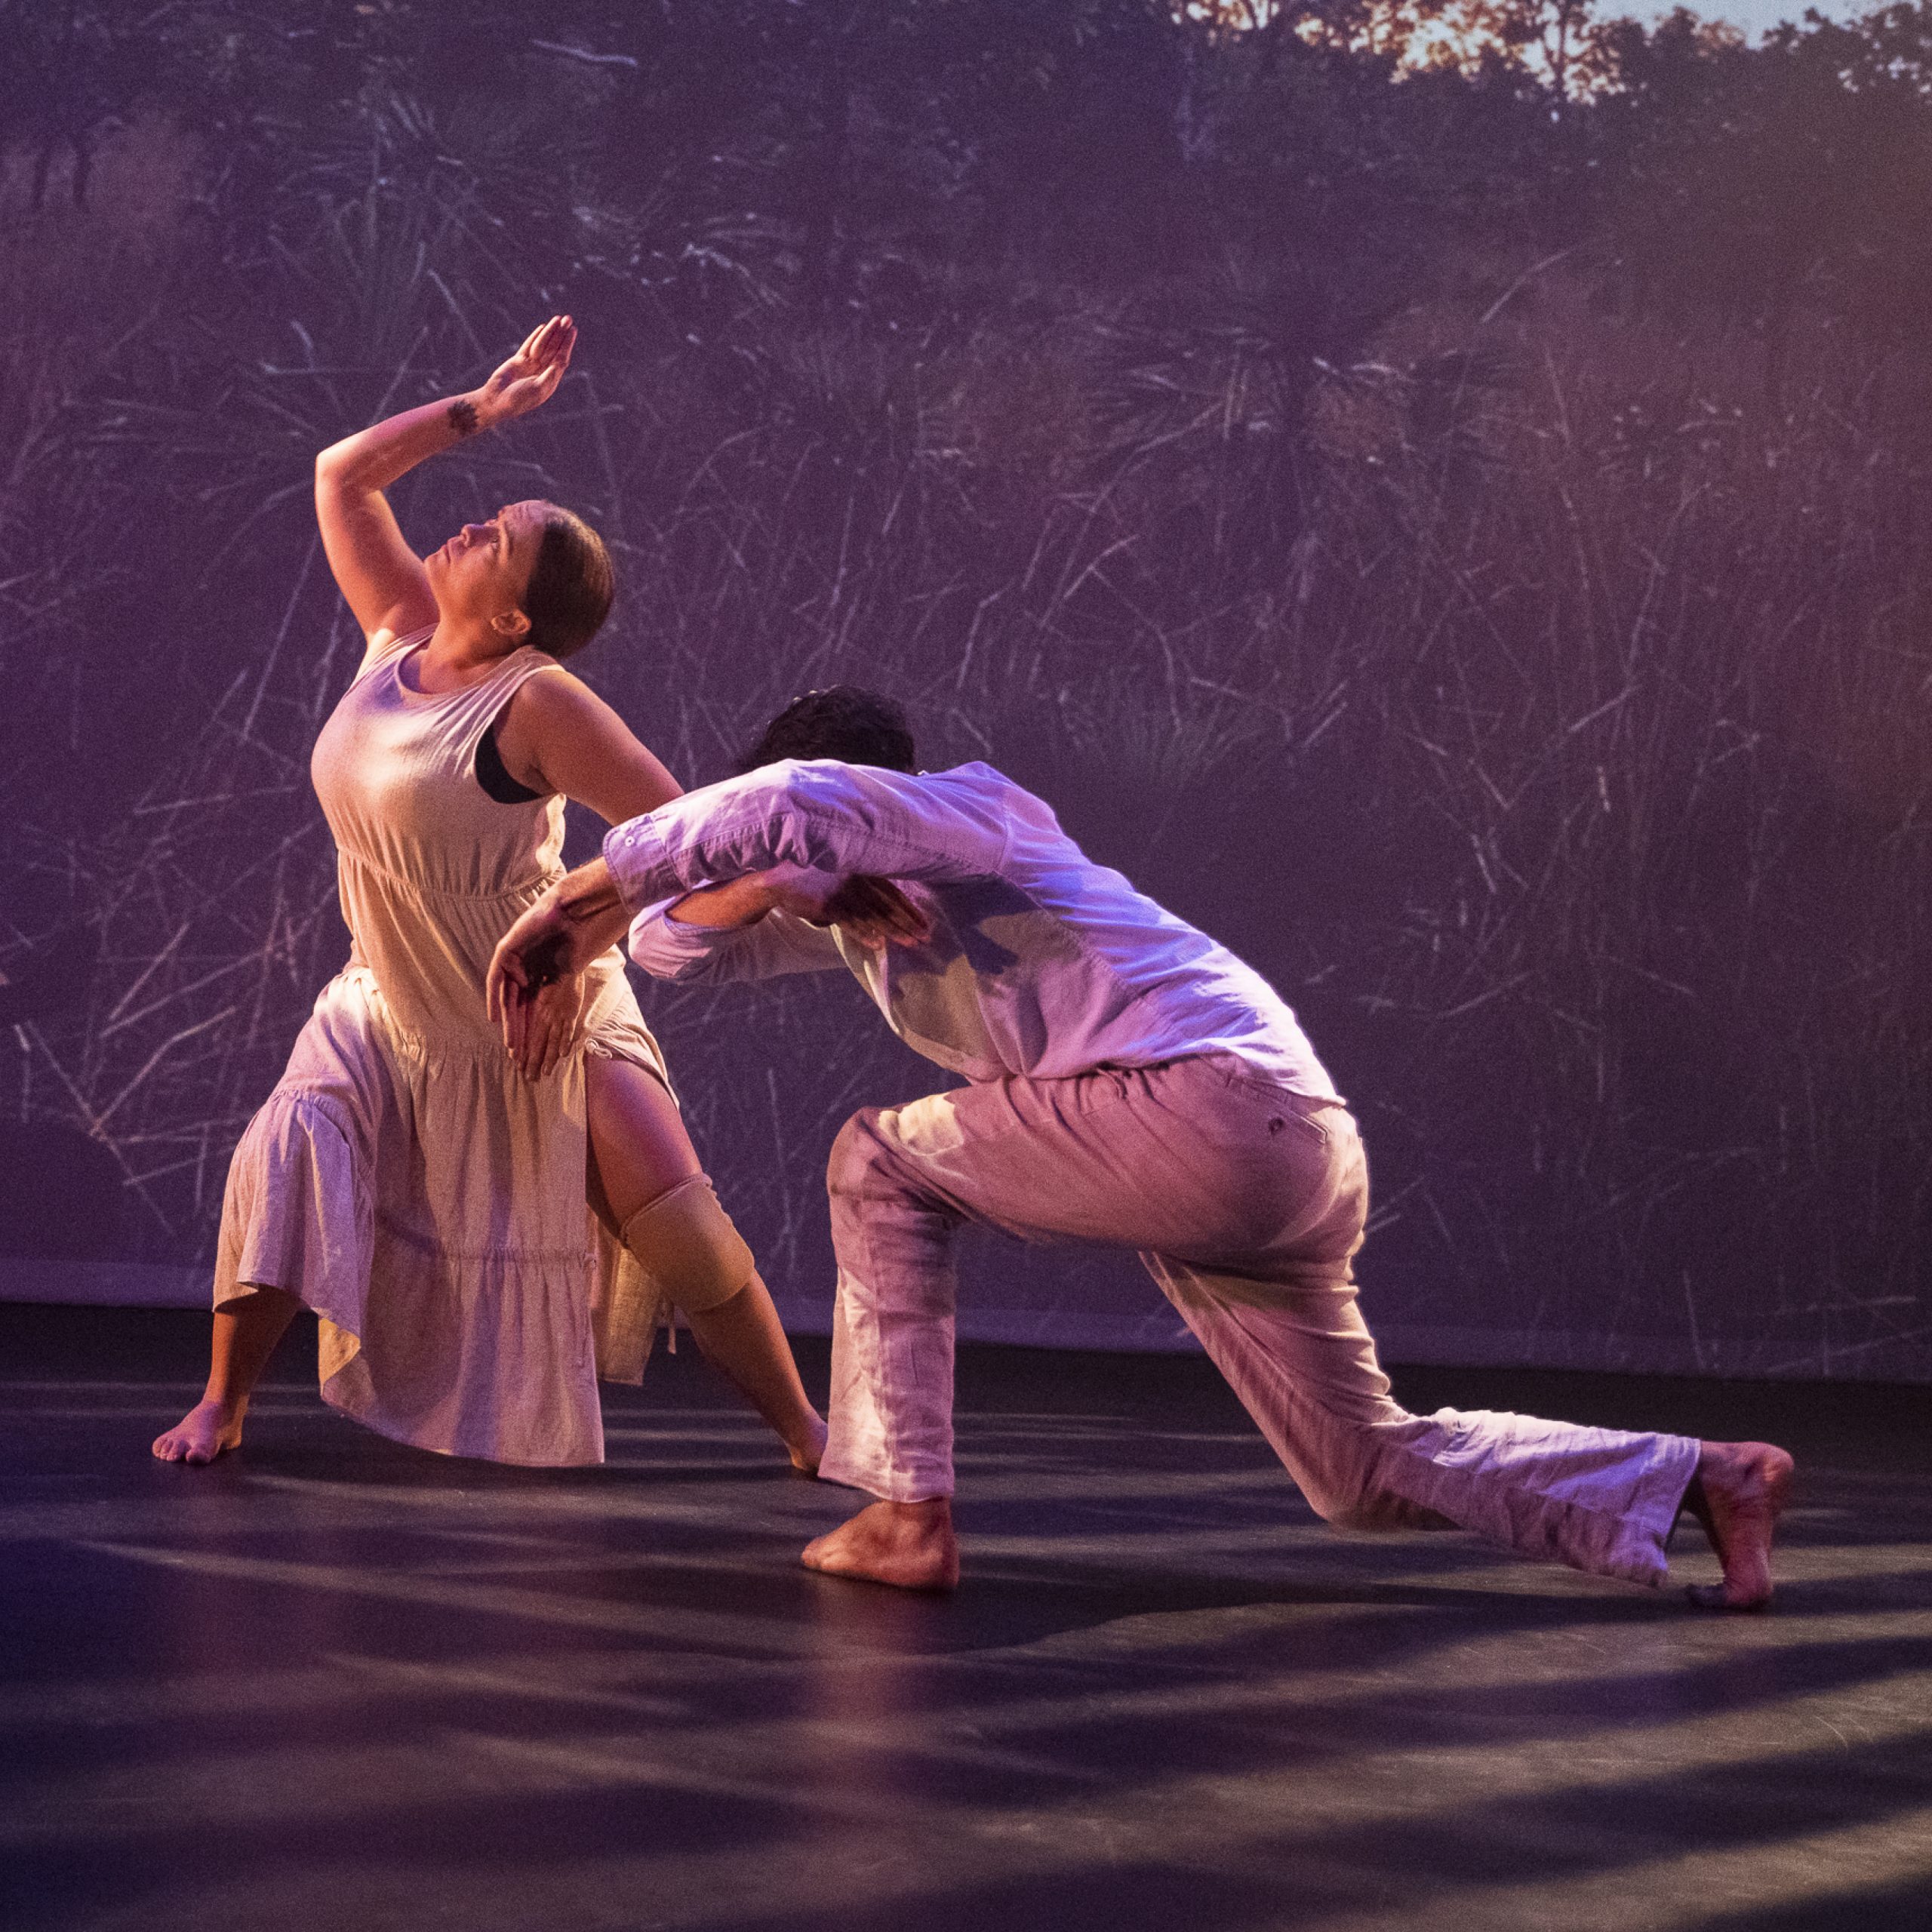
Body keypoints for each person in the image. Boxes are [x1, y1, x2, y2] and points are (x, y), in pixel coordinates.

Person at [486, 685, 1793, 1607]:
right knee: (1359, 1470)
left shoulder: (975, 814)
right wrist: (761, 888)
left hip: (1217, 1108)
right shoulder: (848, 909)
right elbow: (679, 949)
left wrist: (583, 891)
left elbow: (796, 804)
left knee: (876, 1164)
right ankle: (1703, 1479)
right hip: (1268, 1148)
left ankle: (906, 1511)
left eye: (800, 840)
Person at [153, 318, 824, 1473]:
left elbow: (688, 840)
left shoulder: (537, 703)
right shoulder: (399, 633)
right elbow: (343, 476)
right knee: (291, 1145)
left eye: (495, 541)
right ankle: (224, 1401)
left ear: (515, 618)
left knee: (677, 1225)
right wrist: (482, 407)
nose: (467, 527)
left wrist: (581, 944)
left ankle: (810, 1435)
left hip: (535, 1006)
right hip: (393, 993)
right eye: (488, 518)